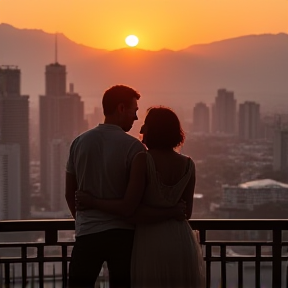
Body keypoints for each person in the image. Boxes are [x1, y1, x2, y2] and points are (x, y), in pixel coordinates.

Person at [65, 86, 185, 288]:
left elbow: (70, 193)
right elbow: (133, 203)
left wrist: (85, 219)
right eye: (134, 110)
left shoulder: (79, 142)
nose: (136, 118)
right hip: (123, 236)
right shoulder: (134, 148)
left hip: (87, 233)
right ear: (121, 108)